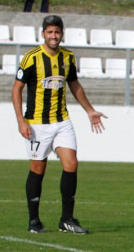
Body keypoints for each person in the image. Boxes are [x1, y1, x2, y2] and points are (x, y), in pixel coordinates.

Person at [12, 14, 106, 234]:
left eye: (57, 32)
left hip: (62, 121)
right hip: (36, 123)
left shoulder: (68, 57)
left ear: (62, 34)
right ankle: (34, 221)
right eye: (50, 32)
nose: (53, 36)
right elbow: (17, 89)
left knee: (71, 163)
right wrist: (20, 120)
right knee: (38, 168)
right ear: (43, 33)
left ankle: (67, 219)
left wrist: (90, 110)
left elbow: (74, 85)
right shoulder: (31, 58)